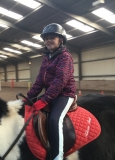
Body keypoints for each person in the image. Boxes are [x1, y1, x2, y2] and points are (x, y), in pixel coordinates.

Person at [27, 23, 76, 160]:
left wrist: (44, 99)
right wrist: (29, 97)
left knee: (55, 119)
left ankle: (57, 155)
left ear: (60, 40)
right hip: (51, 94)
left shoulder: (65, 57)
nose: (48, 40)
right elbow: (39, 81)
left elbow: (60, 81)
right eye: (46, 38)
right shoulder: (46, 58)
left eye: (52, 37)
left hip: (64, 94)